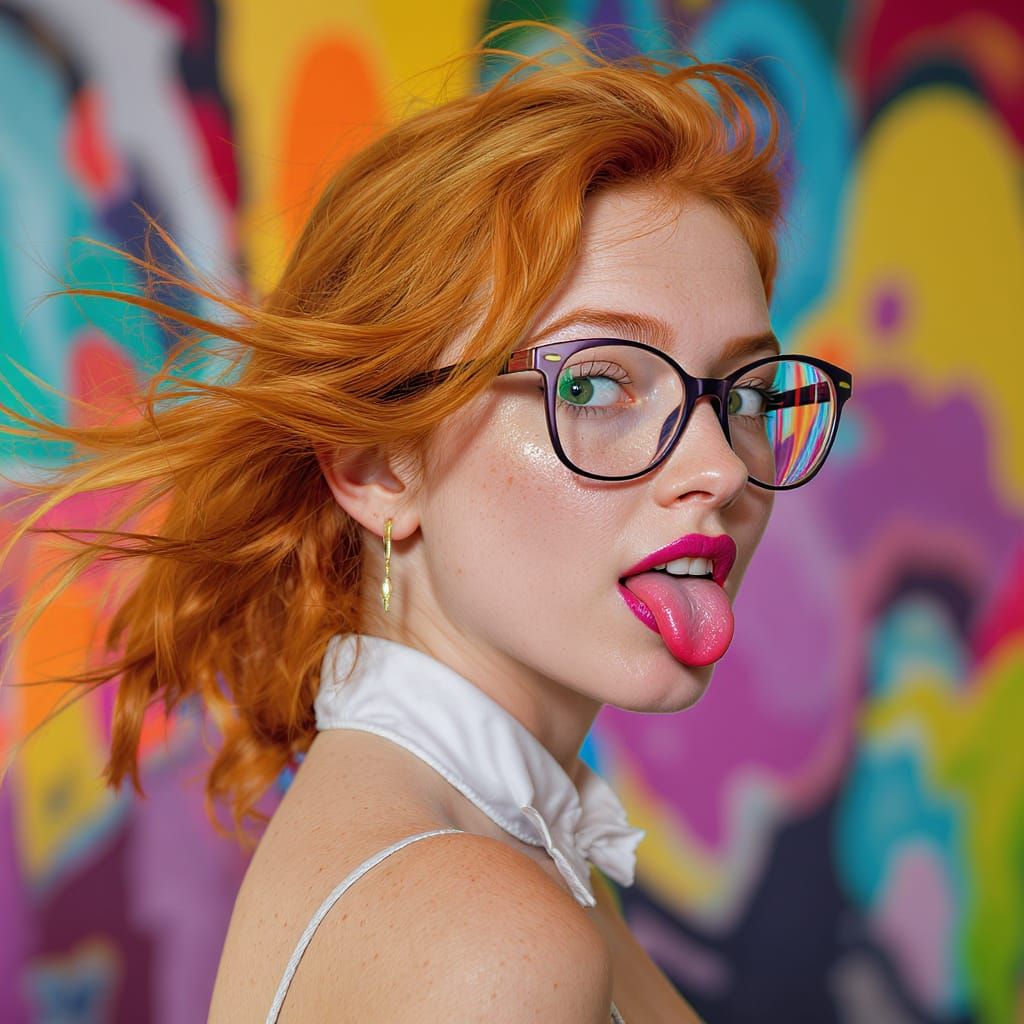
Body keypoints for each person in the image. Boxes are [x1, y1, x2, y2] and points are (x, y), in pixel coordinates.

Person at [1, 24, 852, 1023]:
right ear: (376, 467)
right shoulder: (485, 935)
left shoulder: (509, 851)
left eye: (744, 394)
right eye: (595, 384)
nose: (720, 467)